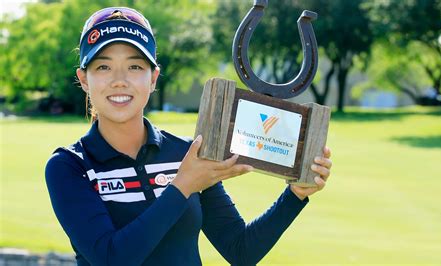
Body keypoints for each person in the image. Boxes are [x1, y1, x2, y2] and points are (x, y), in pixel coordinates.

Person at [45, 7, 333, 266]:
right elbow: (112, 258)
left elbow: (241, 250)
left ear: (153, 78)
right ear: (84, 79)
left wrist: (296, 195)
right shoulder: (70, 167)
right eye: (103, 66)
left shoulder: (187, 153)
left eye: (135, 66)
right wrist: (183, 185)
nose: (120, 79)